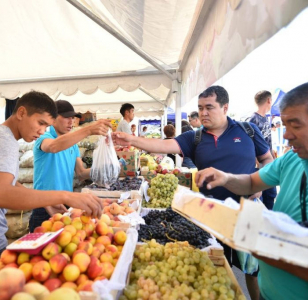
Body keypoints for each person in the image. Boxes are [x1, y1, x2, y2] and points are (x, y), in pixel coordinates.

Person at [113, 85, 273, 300]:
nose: (203, 113)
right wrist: (131, 140)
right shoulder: (194, 138)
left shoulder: (247, 131)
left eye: (209, 107)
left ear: (225, 107)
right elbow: (162, 145)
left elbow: (268, 161)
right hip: (212, 216)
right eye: (200, 108)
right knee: (218, 265)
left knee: (253, 271)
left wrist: (258, 185)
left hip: (248, 212)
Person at [194, 79, 308, 300]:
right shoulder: (292, 159)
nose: (287, 135)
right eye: (285, 124)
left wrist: (271, 250)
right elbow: (252, 182)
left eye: (296, 125)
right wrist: (226, 178)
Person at [0, 92, 104, 286]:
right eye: (40, 123)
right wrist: (64, 195)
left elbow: (9, 183)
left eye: (46, 126)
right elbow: (0, 194)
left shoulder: (2, 137)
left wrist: (48, 200)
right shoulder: (2, 141)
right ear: (21, 112)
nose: (42, 130)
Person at [30, 100, 112, 232]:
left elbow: (81, 173)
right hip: (45, 206)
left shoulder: (73, 143)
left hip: (65, 205)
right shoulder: (44, 137)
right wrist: (89, 130)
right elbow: (53, 146)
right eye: (66, 117)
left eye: (72, 118)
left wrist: (104, 170)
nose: (71, 121)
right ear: (53, 119)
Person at [246, 90, 277, 210]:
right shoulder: (253, 119)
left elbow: (267, 144)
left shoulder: (265, 119)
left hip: (269, 166)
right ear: (269, 100)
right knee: (261, 201)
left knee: (271, 196)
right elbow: (250, 147)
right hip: (260, 169)